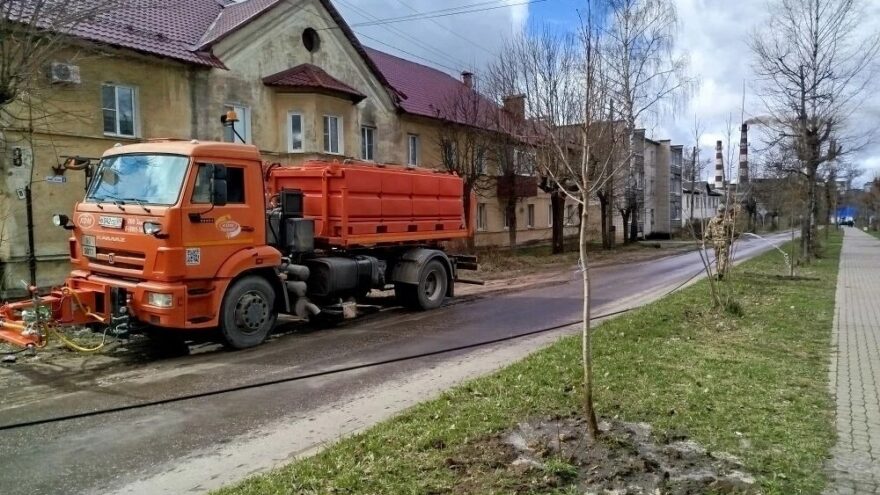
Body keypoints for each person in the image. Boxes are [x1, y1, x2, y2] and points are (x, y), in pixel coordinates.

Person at [705, 204, 734, 279]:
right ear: (724, 211)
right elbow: (732, 231)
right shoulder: (727, 221)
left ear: (717, 210)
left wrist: (706, 239)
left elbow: (708, 232)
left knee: (717, 258)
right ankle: (719, 273)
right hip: (724, 242)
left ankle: (717, 272)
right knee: (723, 258)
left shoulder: (712, 220)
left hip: (715, 242)